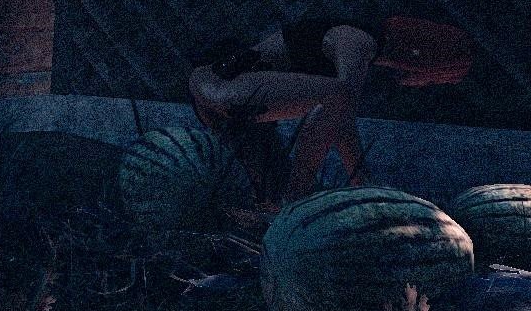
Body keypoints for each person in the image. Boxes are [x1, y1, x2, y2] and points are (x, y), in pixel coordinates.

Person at [189, 14, 472, 208]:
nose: (423, 82)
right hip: (220, 89)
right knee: (338, 95)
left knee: (262, 199)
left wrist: (363, 182)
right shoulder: (359, 42)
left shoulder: (359, 42)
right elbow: (339, 105)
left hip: (232, 100)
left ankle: (290, 199)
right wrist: (363, 183)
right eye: (432, 77)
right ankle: (294, 197)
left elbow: (337, 119)